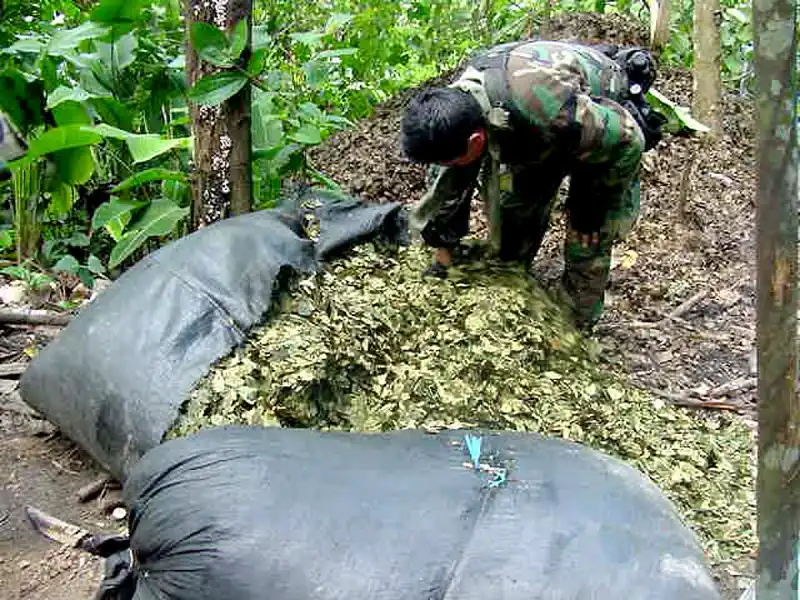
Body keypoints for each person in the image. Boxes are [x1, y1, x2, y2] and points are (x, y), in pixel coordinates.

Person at [400, 39, 665, 330]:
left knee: (586, 234)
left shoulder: (552, 113)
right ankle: (514, 281)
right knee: (515, 213)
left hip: (602, 131)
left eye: (451, 161)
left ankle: (575, 324)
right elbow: (447, 186)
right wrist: (442, 251)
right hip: (530, 130)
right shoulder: (452, 110)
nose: (445, 168)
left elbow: (628, 141)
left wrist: (590, 209)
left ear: (477, 141)